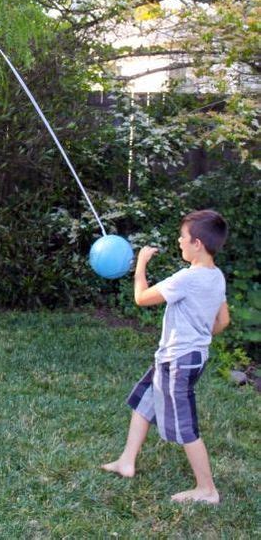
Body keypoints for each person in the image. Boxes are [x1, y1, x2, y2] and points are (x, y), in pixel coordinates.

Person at [101, 210, 230, 504]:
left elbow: (141, 298)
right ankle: (127, 461)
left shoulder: (187, 278)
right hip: (188, 356)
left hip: (179, 361)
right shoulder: (216, 276)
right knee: (144, 402)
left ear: (197, 243)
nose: (179, 241)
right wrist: (200, 332)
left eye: (183, 237)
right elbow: (223, 321)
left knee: (185, 426)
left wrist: (141, 264)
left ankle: (207, 489)